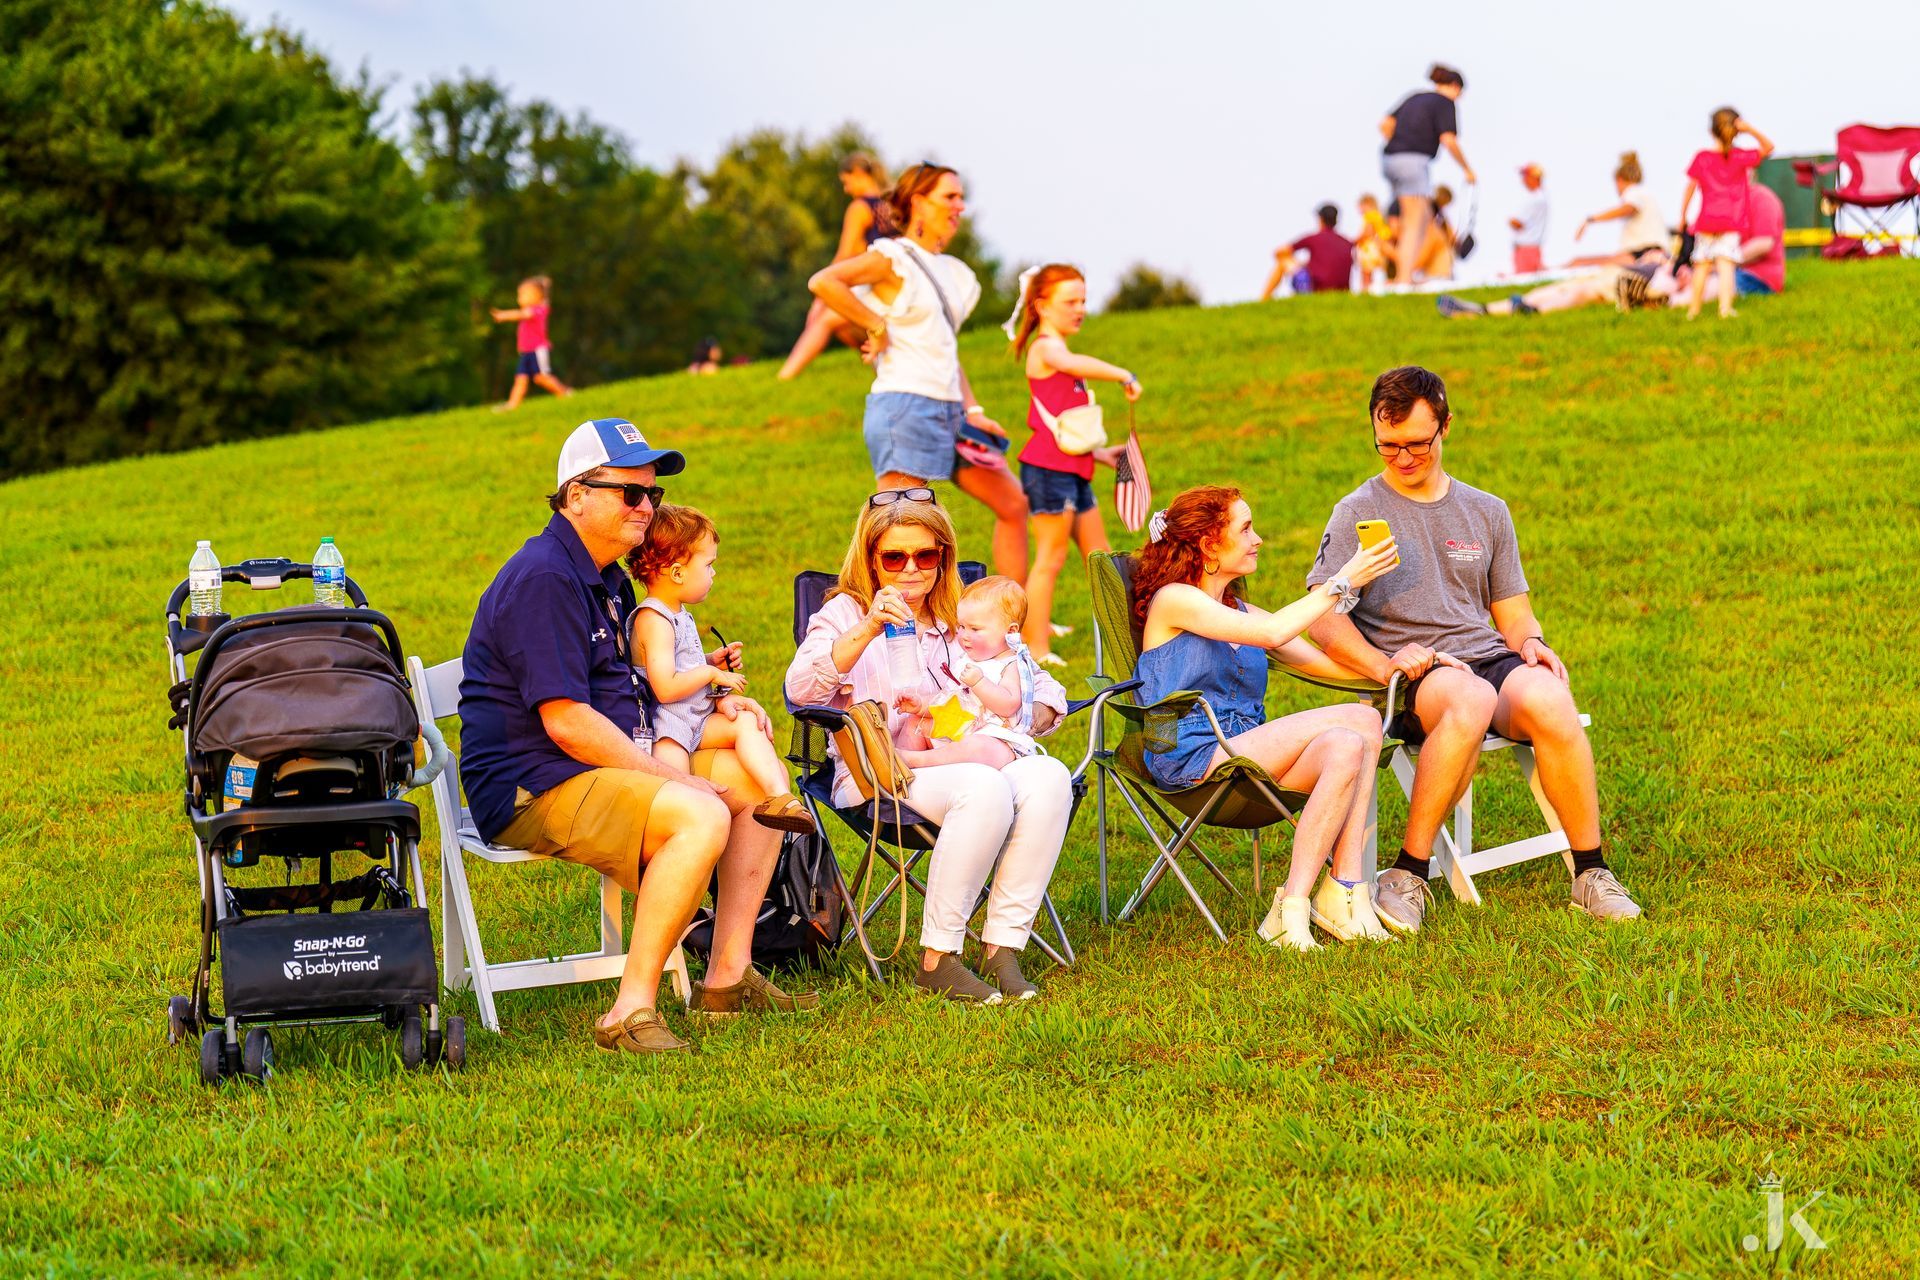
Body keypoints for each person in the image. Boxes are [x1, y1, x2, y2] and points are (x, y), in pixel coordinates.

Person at [459, 418, 817, 1056]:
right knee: (702, 811)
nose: (648, 506)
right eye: (630, 493)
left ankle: (728, 976)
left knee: (747, 785)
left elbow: (648, 688)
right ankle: (629, 1010)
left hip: (590, 765)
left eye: (651, 493)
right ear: (575, 495)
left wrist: (724, 702)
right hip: (531, 785)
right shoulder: (545, 578)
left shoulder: (608, 579)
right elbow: (566, 721)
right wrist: (674, 778)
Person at [1304, 367, 1644, 932]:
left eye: (1416, 443)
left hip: (1485, 657)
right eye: (1387, 446)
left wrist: (1532, 643)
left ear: (1446, 426)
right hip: (1414, 674)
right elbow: (1323, 618)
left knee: (1552, 698)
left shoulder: (1487, 510)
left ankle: (1590, 874)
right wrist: (1386, 667)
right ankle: (1407, 873)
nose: (1403, 457)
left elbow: (1512, 612)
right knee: (1470, 701)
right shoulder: (1357, 510)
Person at [784, 492, 1073, 1004]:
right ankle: (938, 958)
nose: (911, 570)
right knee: (984, 788)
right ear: (871, 558)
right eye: (895, 557)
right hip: (877, 772)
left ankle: (1002, 946)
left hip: (961, 757)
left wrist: (1028, 711)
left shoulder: (957, 618)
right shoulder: (846, 612)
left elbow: (1040, 685)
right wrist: (870, 625)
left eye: (927, 555)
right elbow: (800, 691)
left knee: (1048, 779)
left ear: (944, 556)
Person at [1132, 486, 1402, 950]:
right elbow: (1274, 631)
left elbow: (1322, 665)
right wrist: (1344, 579)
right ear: (1209, 545)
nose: (1258, 539)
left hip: (1245, 753)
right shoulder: (1175, 601)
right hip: (1187, 754)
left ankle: (1294, 906)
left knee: (1348, 741)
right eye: (1245, 529)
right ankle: (1343, 889)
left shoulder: (1238, 610)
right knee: (1360, 723)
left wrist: (1396, 667)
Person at [808, 164, 1029, 580]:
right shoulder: (893, 257)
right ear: (917, 204)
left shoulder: (955, 273)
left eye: (961, 197)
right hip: (905, 406)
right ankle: (879, 627)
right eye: (950, 197)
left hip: (952, 412)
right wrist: (875, 323)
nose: (960, 206)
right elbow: (825, 282)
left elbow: (945, 347)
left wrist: (974, 408)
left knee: (1013, 504)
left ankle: (1013, 628)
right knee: (897, 532)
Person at [627, 503, 816, 834]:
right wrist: (712, 674)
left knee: (745, 722)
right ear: (677, 573)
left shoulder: (677, 612)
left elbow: (679, 664)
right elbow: (665, 687)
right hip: (667, 726)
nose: (714, 573)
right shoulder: (653, 619)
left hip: (695, 718)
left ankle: (780, 797)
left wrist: (711, 660)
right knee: (677, 798)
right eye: (709, 565)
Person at [1004, 263, 1143, 664]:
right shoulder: (1046, 348)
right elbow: (1072, 363)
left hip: (1073, 469)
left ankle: (1122, 641)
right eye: (1070, 301)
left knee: (1099, 556)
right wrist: (1123, 375)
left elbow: (1061, 430)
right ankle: (1037, 649)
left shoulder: (1060, 352)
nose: (1079, 308)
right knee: (1050, 558)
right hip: (1048, 473)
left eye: (1083, 300)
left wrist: (1101, 454)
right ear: (1042, 305)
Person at [895, 576, 1042, 770]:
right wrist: (921, 705)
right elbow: (948, 700)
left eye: (975, 629)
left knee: (977, 746)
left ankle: (916, 761)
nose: (964, 636)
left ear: (1011, 631)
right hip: (958, 729)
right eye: (962, 626)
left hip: (996, 742)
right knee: (917, 723)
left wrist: (979, 683)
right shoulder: (967, 661)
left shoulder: (1012, 664)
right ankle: (895, 765)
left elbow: (1008, 704)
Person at [778, 153, 890, 381]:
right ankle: (884, 370)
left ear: (859, 174)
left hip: (879, 284)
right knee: (845, 324)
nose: (846, 190)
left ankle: (785, 377)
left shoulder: (860, 207)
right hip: (897, 279)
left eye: (846, 182)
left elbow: (845, 253)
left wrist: (821, 299)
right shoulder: (889, 204)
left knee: (825, 319)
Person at [1380, 64, 1476, 288]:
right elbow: (1448, 140)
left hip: (1389, 160)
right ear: (1454, 87)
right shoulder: (1445, 103)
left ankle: (1405, 273)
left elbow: (1385, 125)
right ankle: (1404, 278)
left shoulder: (1415, 97)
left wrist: (1399, 142)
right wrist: (1467, 169)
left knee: (1421, 216)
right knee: (1415, 222)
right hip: (1413, 161)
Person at [1680, 108, 1775, 320]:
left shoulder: (1702, 158)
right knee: (1726, 266)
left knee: (1701, 266)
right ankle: (1725, 309)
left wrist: (1683, 217)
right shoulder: (1740, 157)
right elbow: (1768, 148)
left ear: (1711, 130)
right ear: (1736, 130)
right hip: (1731, 222)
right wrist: (1749, 128)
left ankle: (1693, 311)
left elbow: (1690, 188)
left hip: (1706, 221)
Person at [1571, 152, 1670, 267]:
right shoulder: (1644, 193)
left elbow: (1628, 208)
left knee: (1579, 263)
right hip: (1644, 251)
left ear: (1619, 180)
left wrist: (1591, 219)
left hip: (1643, 252)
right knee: (1583, 262)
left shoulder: (1633, 191)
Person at [489, 276, 572, 411]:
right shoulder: (531, 311)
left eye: (524, 294)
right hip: (526, 352)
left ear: (537, 296)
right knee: (520, 379)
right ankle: (512, 405)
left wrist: (504, 315)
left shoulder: (539, 310)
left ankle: (565, 393)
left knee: (541, 377)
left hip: (537, 351)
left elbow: (522, 314)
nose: (520, 298)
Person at [1260, 204, 1355, 299]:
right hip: (1341, 291)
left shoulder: (1314, 238)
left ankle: (1264, 299)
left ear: (1321, 219)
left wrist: (1300, 263)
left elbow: (1280, 252)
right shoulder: (1347, 242)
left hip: (1316, 288)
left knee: (1283, 262)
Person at [1509, 164, 1548, 274]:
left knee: (1524, 281)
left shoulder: (1536, 199)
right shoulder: (1540, 197)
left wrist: (1510, 221)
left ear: (1534, 178)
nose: (1523, 180)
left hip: (1526, 249)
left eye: (1525, 176)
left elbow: (1518, 224)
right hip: (1530, 248)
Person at [1355, 193, 1394, 289]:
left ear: (1367, 204)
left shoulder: (1370, 216)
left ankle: (1365, 289)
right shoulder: (1378, 215)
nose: (1359, 209)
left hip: (1370, 248)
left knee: (1366, 273)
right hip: (1381, 247)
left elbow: (1368, 232)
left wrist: (1355, 241)